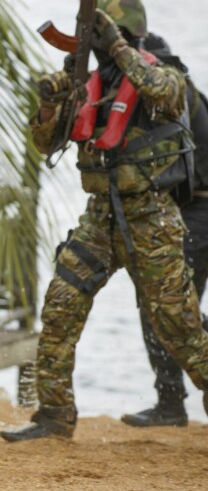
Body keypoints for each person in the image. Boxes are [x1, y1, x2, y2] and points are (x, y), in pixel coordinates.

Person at [0, 0, 208, 442]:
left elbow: (166, 95)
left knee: (181, 328)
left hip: (151, 217)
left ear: (125, 33)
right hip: (100, 217)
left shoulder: (164, 74)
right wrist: (53, 99)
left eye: (98, 32)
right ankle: (54, 416)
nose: (90, 41)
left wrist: (117, 44)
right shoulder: (93, 83)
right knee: (61, 305)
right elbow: (46, 142)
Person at [119, 31, 208, 428]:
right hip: (189, 209)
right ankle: (170, 402)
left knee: (167, 304)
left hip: (198, 209)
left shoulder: (170, 92)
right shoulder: (181, 89)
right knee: (168, 304)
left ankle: (172, 402)